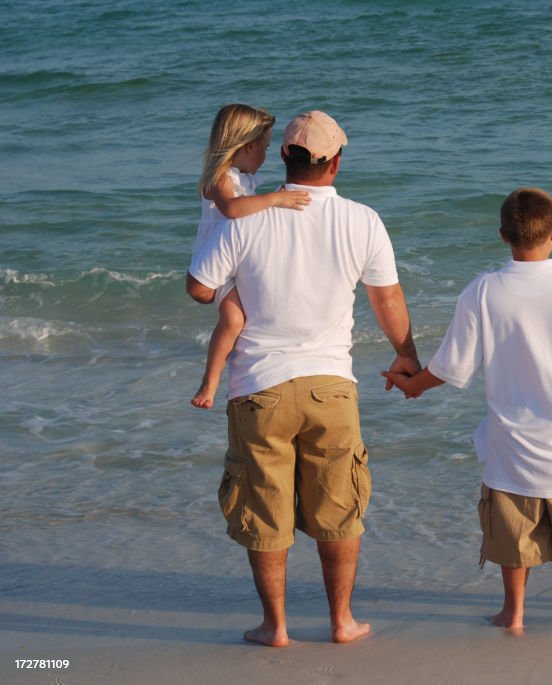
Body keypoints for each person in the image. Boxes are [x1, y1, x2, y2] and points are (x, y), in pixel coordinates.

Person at [187, 110, 420, 646]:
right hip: (331, 386)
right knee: (339, 507)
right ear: (337, 162)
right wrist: (407, 356)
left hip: (258, 387)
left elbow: (200, 288)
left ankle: (277, 626)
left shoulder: (244, 217)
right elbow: (387, 299)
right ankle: (341, 621)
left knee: (264, 511)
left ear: (286, 157)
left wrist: (233, 292)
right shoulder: (362, 220)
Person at [383, 188, 552, 631]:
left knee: (511, 530)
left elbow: (451, 365)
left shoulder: (483, 291)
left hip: (511, 450)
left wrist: (415, 387)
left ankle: (514, 611)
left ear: (503, 235)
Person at [190, 103, 311, 409]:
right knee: (233, 320)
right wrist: (275, 199)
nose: (267, 155)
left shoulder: (245, 178)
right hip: (217, 266)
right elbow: (232, 210)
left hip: (237, 261)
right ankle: (210, 383)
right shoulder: (220, 178)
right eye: (265, 148)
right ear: (246, 147)